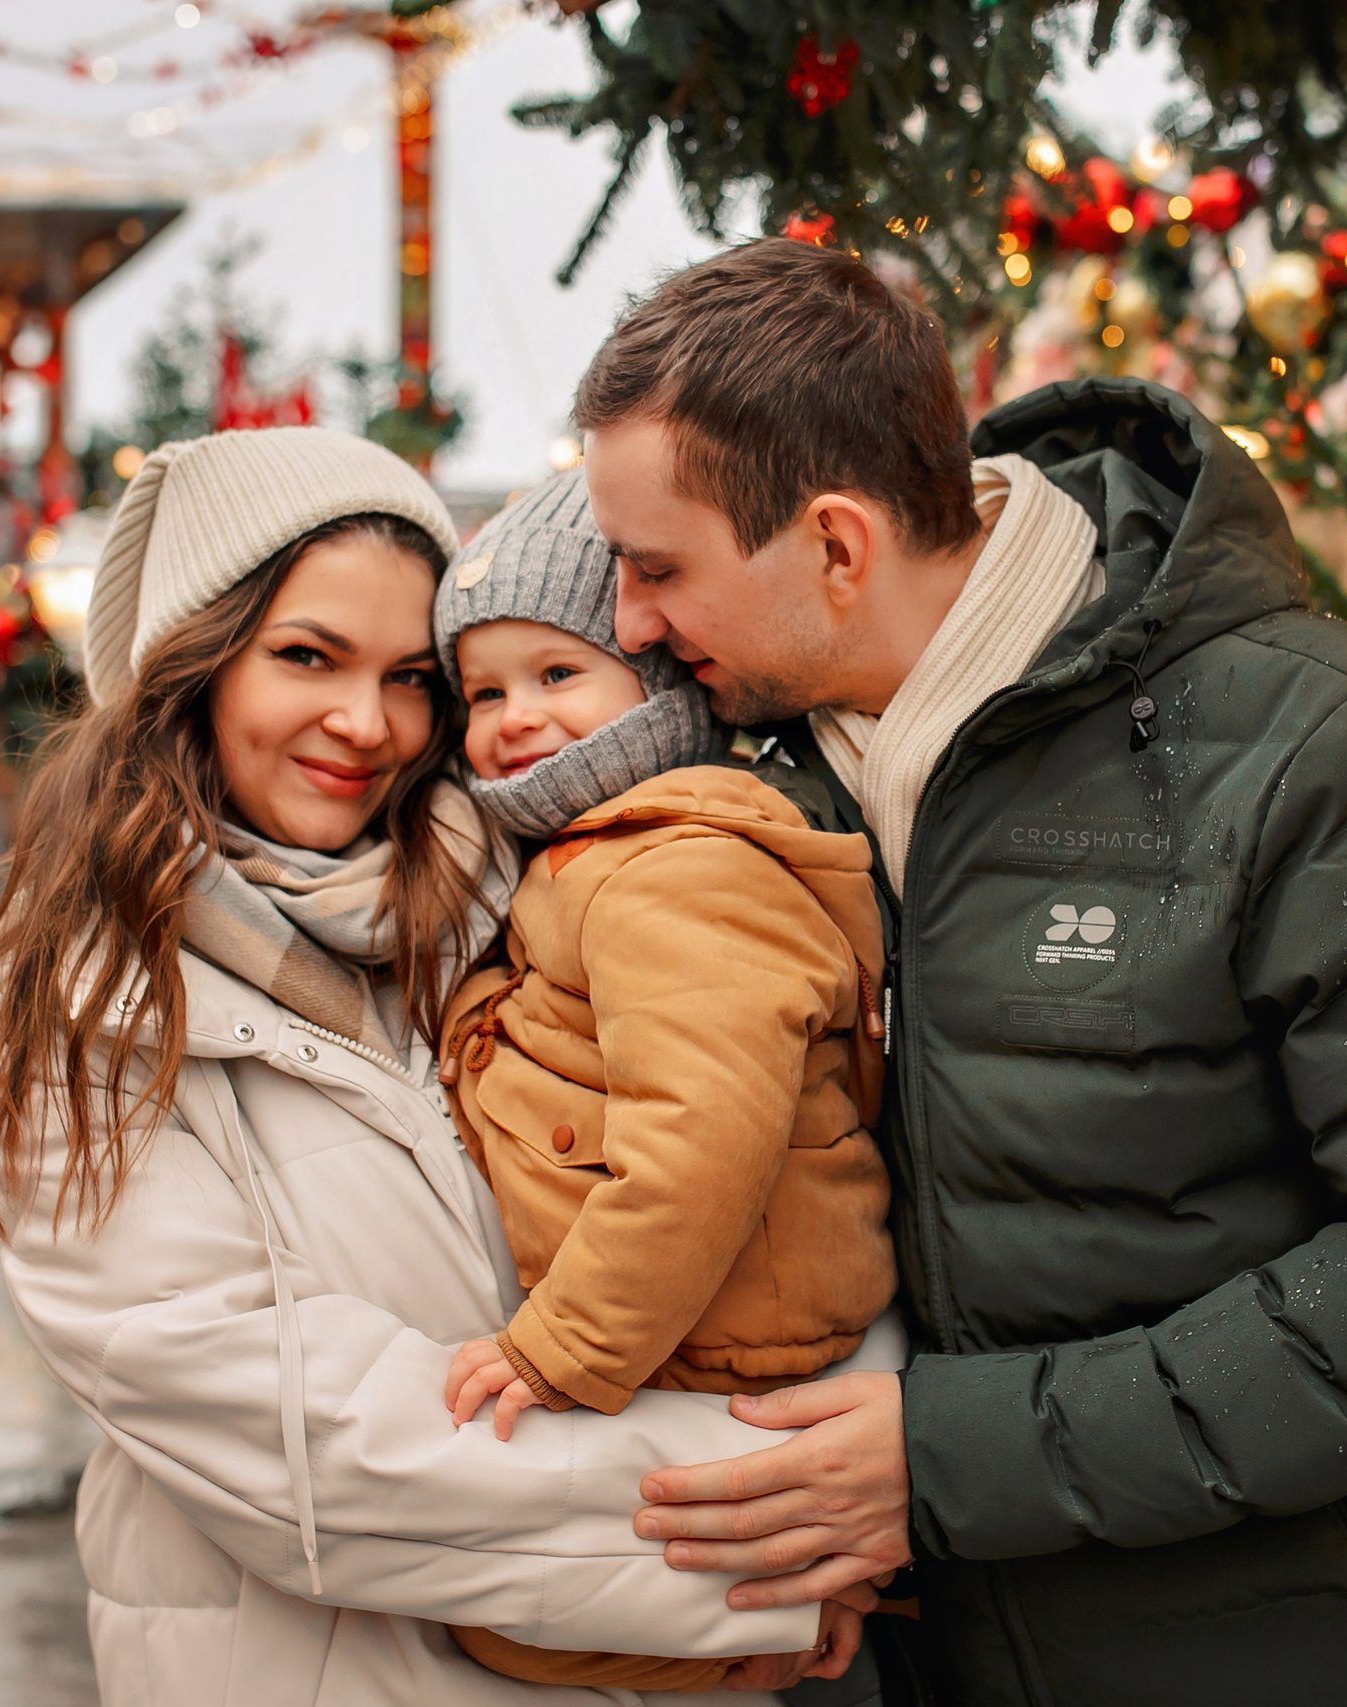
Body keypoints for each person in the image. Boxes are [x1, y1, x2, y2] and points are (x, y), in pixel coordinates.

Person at [577, 241, 1347, 1707]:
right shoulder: (754, 794)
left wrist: (951, 1459)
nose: (625, 623)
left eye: (658, 567)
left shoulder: (1299, 743)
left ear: (836, 544)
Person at [0, 425, 864, 1704]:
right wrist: (792, 1522)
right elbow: (313, 1453)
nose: (365, 724)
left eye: (411, 675)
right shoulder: (84, 1012)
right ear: (190, 668)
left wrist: (858, 1443)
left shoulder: (525, 901)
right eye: (306, 656)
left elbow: (783, 1183)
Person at [423, 471, 899, 1691]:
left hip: (716, 1334)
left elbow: (703, 1138)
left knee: (514, 1621)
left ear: (656, 686)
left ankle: (784, 1633)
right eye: (482, 691)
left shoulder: (673, 869)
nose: (513, 718)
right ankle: (790, 1624)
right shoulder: (589, 862)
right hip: (693, 1327)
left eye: (557, 674)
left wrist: (561, 1348)